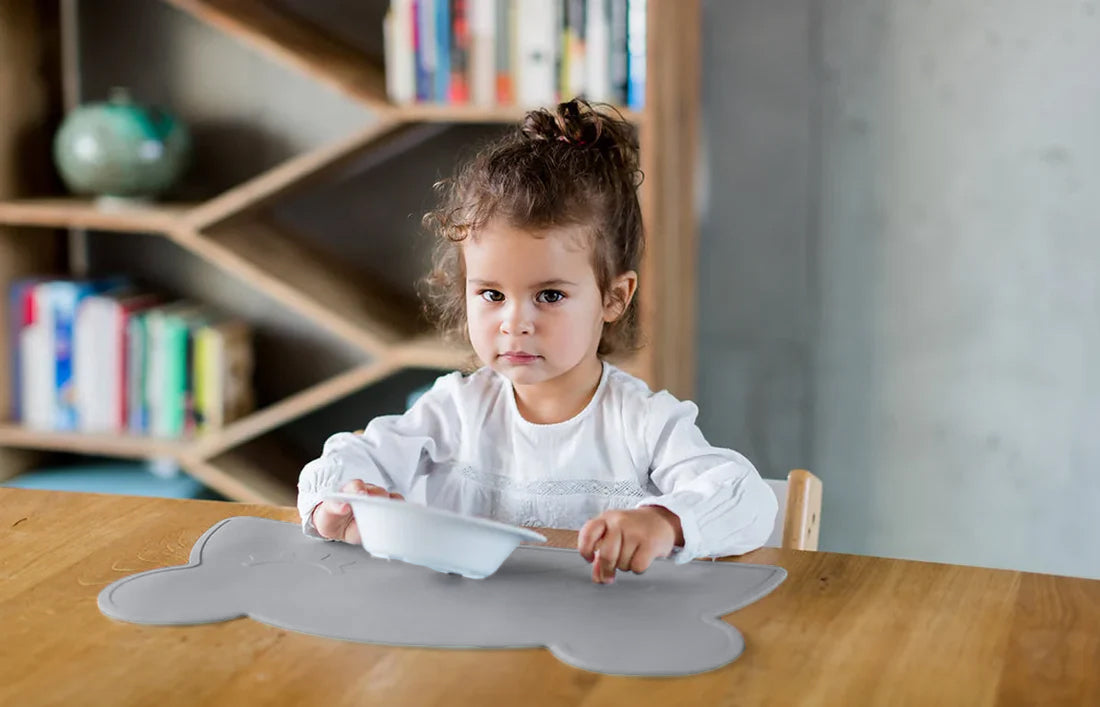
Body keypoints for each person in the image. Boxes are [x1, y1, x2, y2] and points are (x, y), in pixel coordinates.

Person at [297, 99, 777, 584]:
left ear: (614, 297)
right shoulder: (454, 410)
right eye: (491, 294)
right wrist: (335, 504)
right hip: (462, 642)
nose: (515, 322)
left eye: (549, 295)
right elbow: (347, 459)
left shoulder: (644, 425)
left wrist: (662, 523)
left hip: (594, 644)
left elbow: (748, 500)